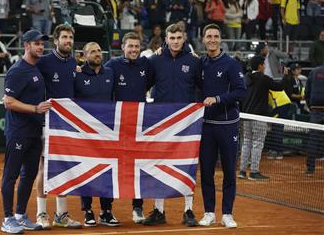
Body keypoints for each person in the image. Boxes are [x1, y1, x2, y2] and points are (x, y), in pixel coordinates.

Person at [142, 24, 201, 227]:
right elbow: (143, 86)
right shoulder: (154, 60)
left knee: (188, 165)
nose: (175, 41)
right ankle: (159, 210)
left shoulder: (195, 62)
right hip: (161, 122)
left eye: (178, 37)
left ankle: (188, 210)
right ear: (165, 39)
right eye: (172, 38)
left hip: (187, 124)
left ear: (184, 38)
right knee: (158, 165)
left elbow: (202, 90)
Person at [0, 29, 51, 234]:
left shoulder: (36, 68)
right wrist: (35, 109)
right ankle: (7, 218)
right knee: (11, 175)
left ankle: (20, 215)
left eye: (41, 43)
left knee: (29, 175)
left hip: (34, 132)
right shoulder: (18, 70)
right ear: (26, 46)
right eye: (36, 43)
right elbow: (8, 101)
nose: (40, 47)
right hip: (18, 132)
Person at [198, 23, 246, 228]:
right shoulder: (199, 64)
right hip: (206, 127)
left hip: (228, 126)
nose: (212, 39)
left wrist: (217, 98)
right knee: (206, 172)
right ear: (203, 39)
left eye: (216, 36)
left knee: (229, 171)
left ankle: (227, 213)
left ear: (221, 39)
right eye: (208, 36)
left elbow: (241, 91)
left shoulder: (232, 64)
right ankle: (209, 212)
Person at [35, 24, 81, 229]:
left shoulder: (73, 62)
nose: (68, 41)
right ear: (55, 40)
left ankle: (61, 215)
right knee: (44, 168)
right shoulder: (43, 62)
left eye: (70, 37)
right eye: (64, 37)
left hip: (68, 124)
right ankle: (41, 213)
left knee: (65, 167)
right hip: (47, 122)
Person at [105, 32, 152, 224]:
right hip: (116, 125)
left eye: (136, 46)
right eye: (130, 46)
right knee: (110, 166)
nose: (133, 49)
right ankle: (106, 209)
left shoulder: (146, 64)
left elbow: (151, 82)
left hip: (139, 124)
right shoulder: (112, 65)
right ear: (122, 47)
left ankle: (138, 208)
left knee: (138, 167)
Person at [74, 42, 119, 227]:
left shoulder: (109, 72)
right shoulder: (77, 74)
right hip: (85, 133)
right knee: (88, 171)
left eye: (99, 50)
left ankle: (106, 211)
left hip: (107, 132)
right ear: (84, 55)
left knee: (107, 171)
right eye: (92, 51)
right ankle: (88, 210)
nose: (97, 54)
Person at [238, 55, 285, 180]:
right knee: (257, 144)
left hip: (246, 117)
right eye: (263, 65)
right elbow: (279, 87)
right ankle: (254, 172)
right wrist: (286, 76)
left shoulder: (244, 79)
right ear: (259, 66)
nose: (264, 67)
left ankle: (242, 171)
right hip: (259, 118)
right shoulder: (264, 79)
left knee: (246, 143)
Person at [304, 64, 324, 176]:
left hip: (315, 110)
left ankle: (310, 169)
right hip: (316, 109)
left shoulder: (313, 71)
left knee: (313, 139)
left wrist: (311, 106)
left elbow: (307, 91)